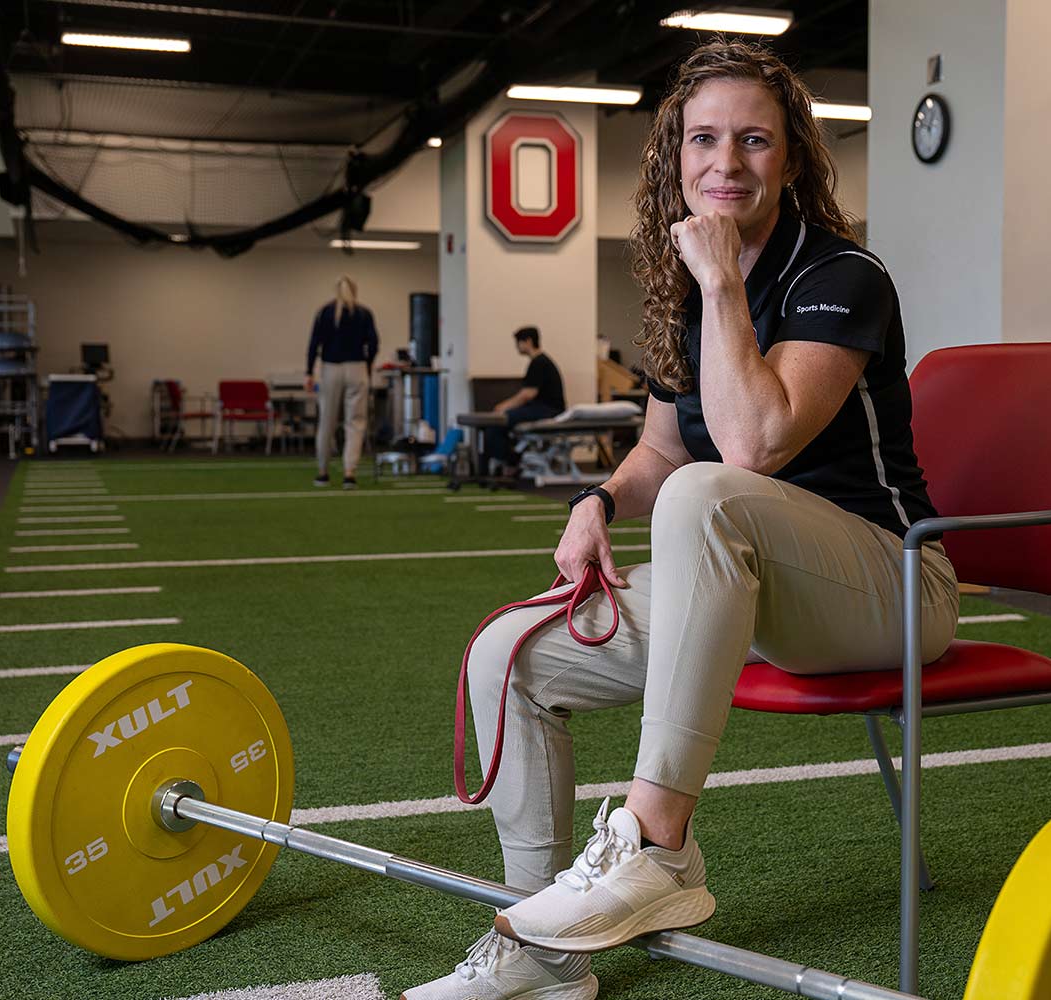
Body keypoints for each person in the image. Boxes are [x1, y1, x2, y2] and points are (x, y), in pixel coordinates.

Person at [406, 40, 955, 1000]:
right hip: (750, 585)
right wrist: (595, 501)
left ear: (792, 158)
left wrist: (723, 285)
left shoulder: (841, 275)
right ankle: (544, 957)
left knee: (714, 491)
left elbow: (748, 446)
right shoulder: (688, 294)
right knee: (513, 655)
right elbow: (661, 454)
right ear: (674, 156)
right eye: (705, 139)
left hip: (890, 584)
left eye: (754, 140)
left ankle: (658, 846)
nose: (726, 163)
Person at [305, 276, 380, 487]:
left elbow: (313, 344)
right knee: (355, 422)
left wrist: (309, 372)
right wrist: (368, 364)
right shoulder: (364, 313)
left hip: (330, 368)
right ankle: (349, 473)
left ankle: (323, 472)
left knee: (327, 422)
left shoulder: (324, 312)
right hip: (357, 368)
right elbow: (374, 343)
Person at [481, 327, 565, 474]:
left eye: (518, 343)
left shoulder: (539, 363)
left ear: (528, 342)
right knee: (501, 421)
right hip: (544, 407)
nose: (517, 347)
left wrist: (503, 407)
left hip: (548, 410)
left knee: (497, 424)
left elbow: (528, 394)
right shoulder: (540, 361)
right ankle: (511, 461)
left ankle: (511, 463)